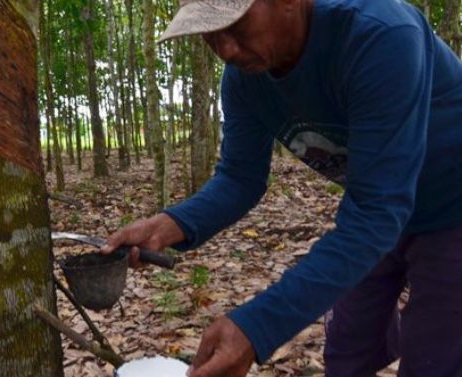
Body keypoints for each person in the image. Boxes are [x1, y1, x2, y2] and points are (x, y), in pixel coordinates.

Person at [101, 0, 462, 375]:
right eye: (209, 33)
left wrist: (257, 328)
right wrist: (167, 226)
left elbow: (376, 214)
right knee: (348, 349)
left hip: (452, 208)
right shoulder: (245, 80)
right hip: (377, 209)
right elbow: (239, 179)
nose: (225, 49)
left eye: (237, 25)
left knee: (435, 358)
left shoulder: (378, 33)